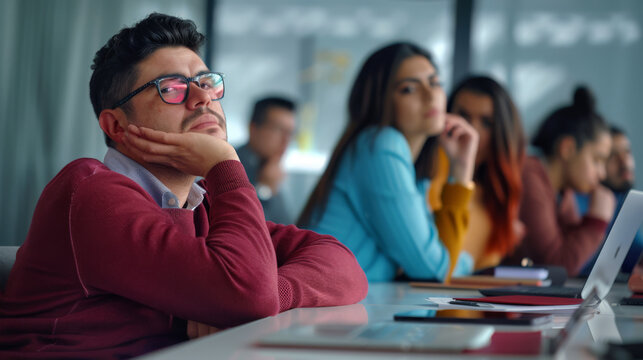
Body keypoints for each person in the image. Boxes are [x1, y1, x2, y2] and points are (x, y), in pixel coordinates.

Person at [0, 13, 367, 358]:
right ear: (115, 126)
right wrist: (225, 165)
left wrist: (272, 293)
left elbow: (343, 266)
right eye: (171, 88)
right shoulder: (89, 191)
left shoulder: (199, 208)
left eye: (206, 82)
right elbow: (248, 295)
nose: (203, 97)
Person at [298, 42, 479, 282]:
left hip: (345, 308)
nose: (430, 95)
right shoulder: (380, 145)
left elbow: (434, 262)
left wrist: (460, 167)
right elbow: (434, 268)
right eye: (408, 89)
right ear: (380, 100)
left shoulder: (410, 168)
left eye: (435, 83)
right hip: (318, 311)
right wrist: (468, 262)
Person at [503, 86, 616, 276]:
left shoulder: (563, 190)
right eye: (597, 160)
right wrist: (596, 223)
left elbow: (570, 250)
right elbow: (556, 264)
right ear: (568, 148)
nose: (602, 174)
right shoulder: (529, 176)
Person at [445, 75, 526, 270]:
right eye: (463, 117)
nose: (471, 130)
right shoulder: (428, 180)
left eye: (487, 123)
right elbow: (441, 266)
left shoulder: (497, 194)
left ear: (502, 132)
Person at [577, 125, 642, 274]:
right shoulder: (575, 201)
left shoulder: (620, 200)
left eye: (627, 152)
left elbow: (633, 256)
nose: (625, 162)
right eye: (612, 155)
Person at [236, 96, 297, 224]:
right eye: (278, 129)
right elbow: (242, 226)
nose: (286, 140)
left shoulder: (273, 167)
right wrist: (264, 190)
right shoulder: (231, 166)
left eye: (290, 132)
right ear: (253, 129)